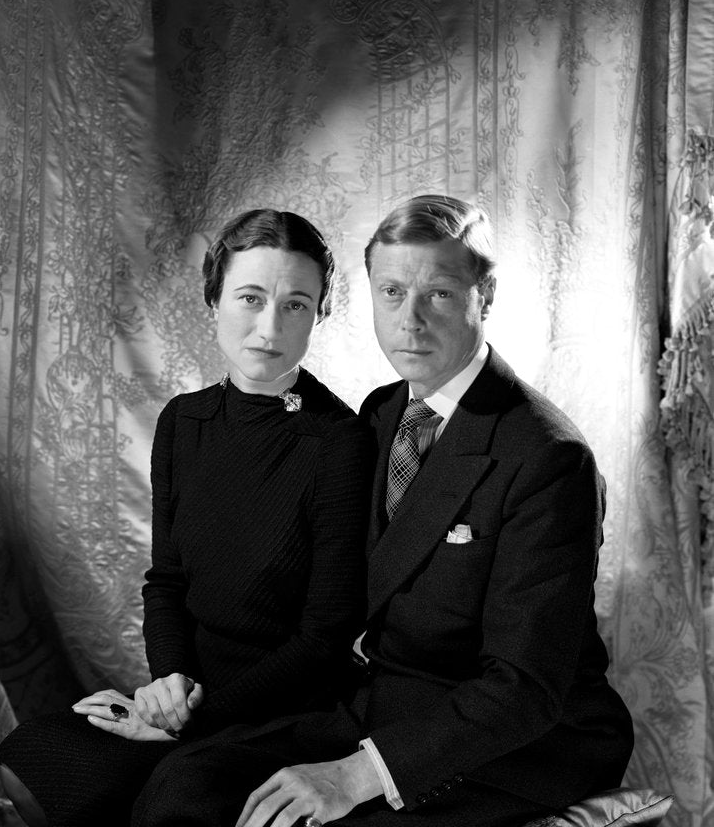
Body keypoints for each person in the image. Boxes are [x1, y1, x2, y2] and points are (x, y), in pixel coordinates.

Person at [130, 194, 634, 827]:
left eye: (440, 294)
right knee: (186, 788)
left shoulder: (547, 457)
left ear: (488, 294)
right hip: (381, 707)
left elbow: (524, 687)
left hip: (515, 741)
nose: (411, 322)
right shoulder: (381, 412)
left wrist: (357, 775)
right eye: (392, 293)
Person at [0, 208, 374, 827]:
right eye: (250, 298)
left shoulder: (339, 443)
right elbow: (165, 581)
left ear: (321, 314)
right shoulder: (183, 422)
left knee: (169, 799)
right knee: (30, 760)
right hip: (187, 698)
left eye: (296, 305)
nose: (269, 327)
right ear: (213, 298)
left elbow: (324, 640)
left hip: (288, 712)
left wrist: (191, 718)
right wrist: (167, 686)